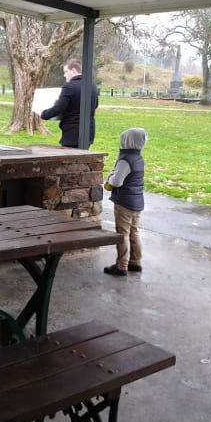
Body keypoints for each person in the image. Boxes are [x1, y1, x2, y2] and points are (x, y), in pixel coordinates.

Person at [103, 127, 148, 276]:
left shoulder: (125, 160)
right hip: (137, 202)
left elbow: (116, 182)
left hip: (124, 204)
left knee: (122, 235)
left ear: (127, 140)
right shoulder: (139, 158)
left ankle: (121, 265)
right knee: (134, 233)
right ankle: (135, 262)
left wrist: (110, 176)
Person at [40, 58, 98, 148]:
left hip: (72, 132)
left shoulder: (69, 87)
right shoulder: (92, 86)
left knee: (70, 160)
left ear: (73, 70)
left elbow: (59, 108)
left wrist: (44, 114)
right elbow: (95, 105)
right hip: (88, 132)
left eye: (66, 71)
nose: (64, 75)